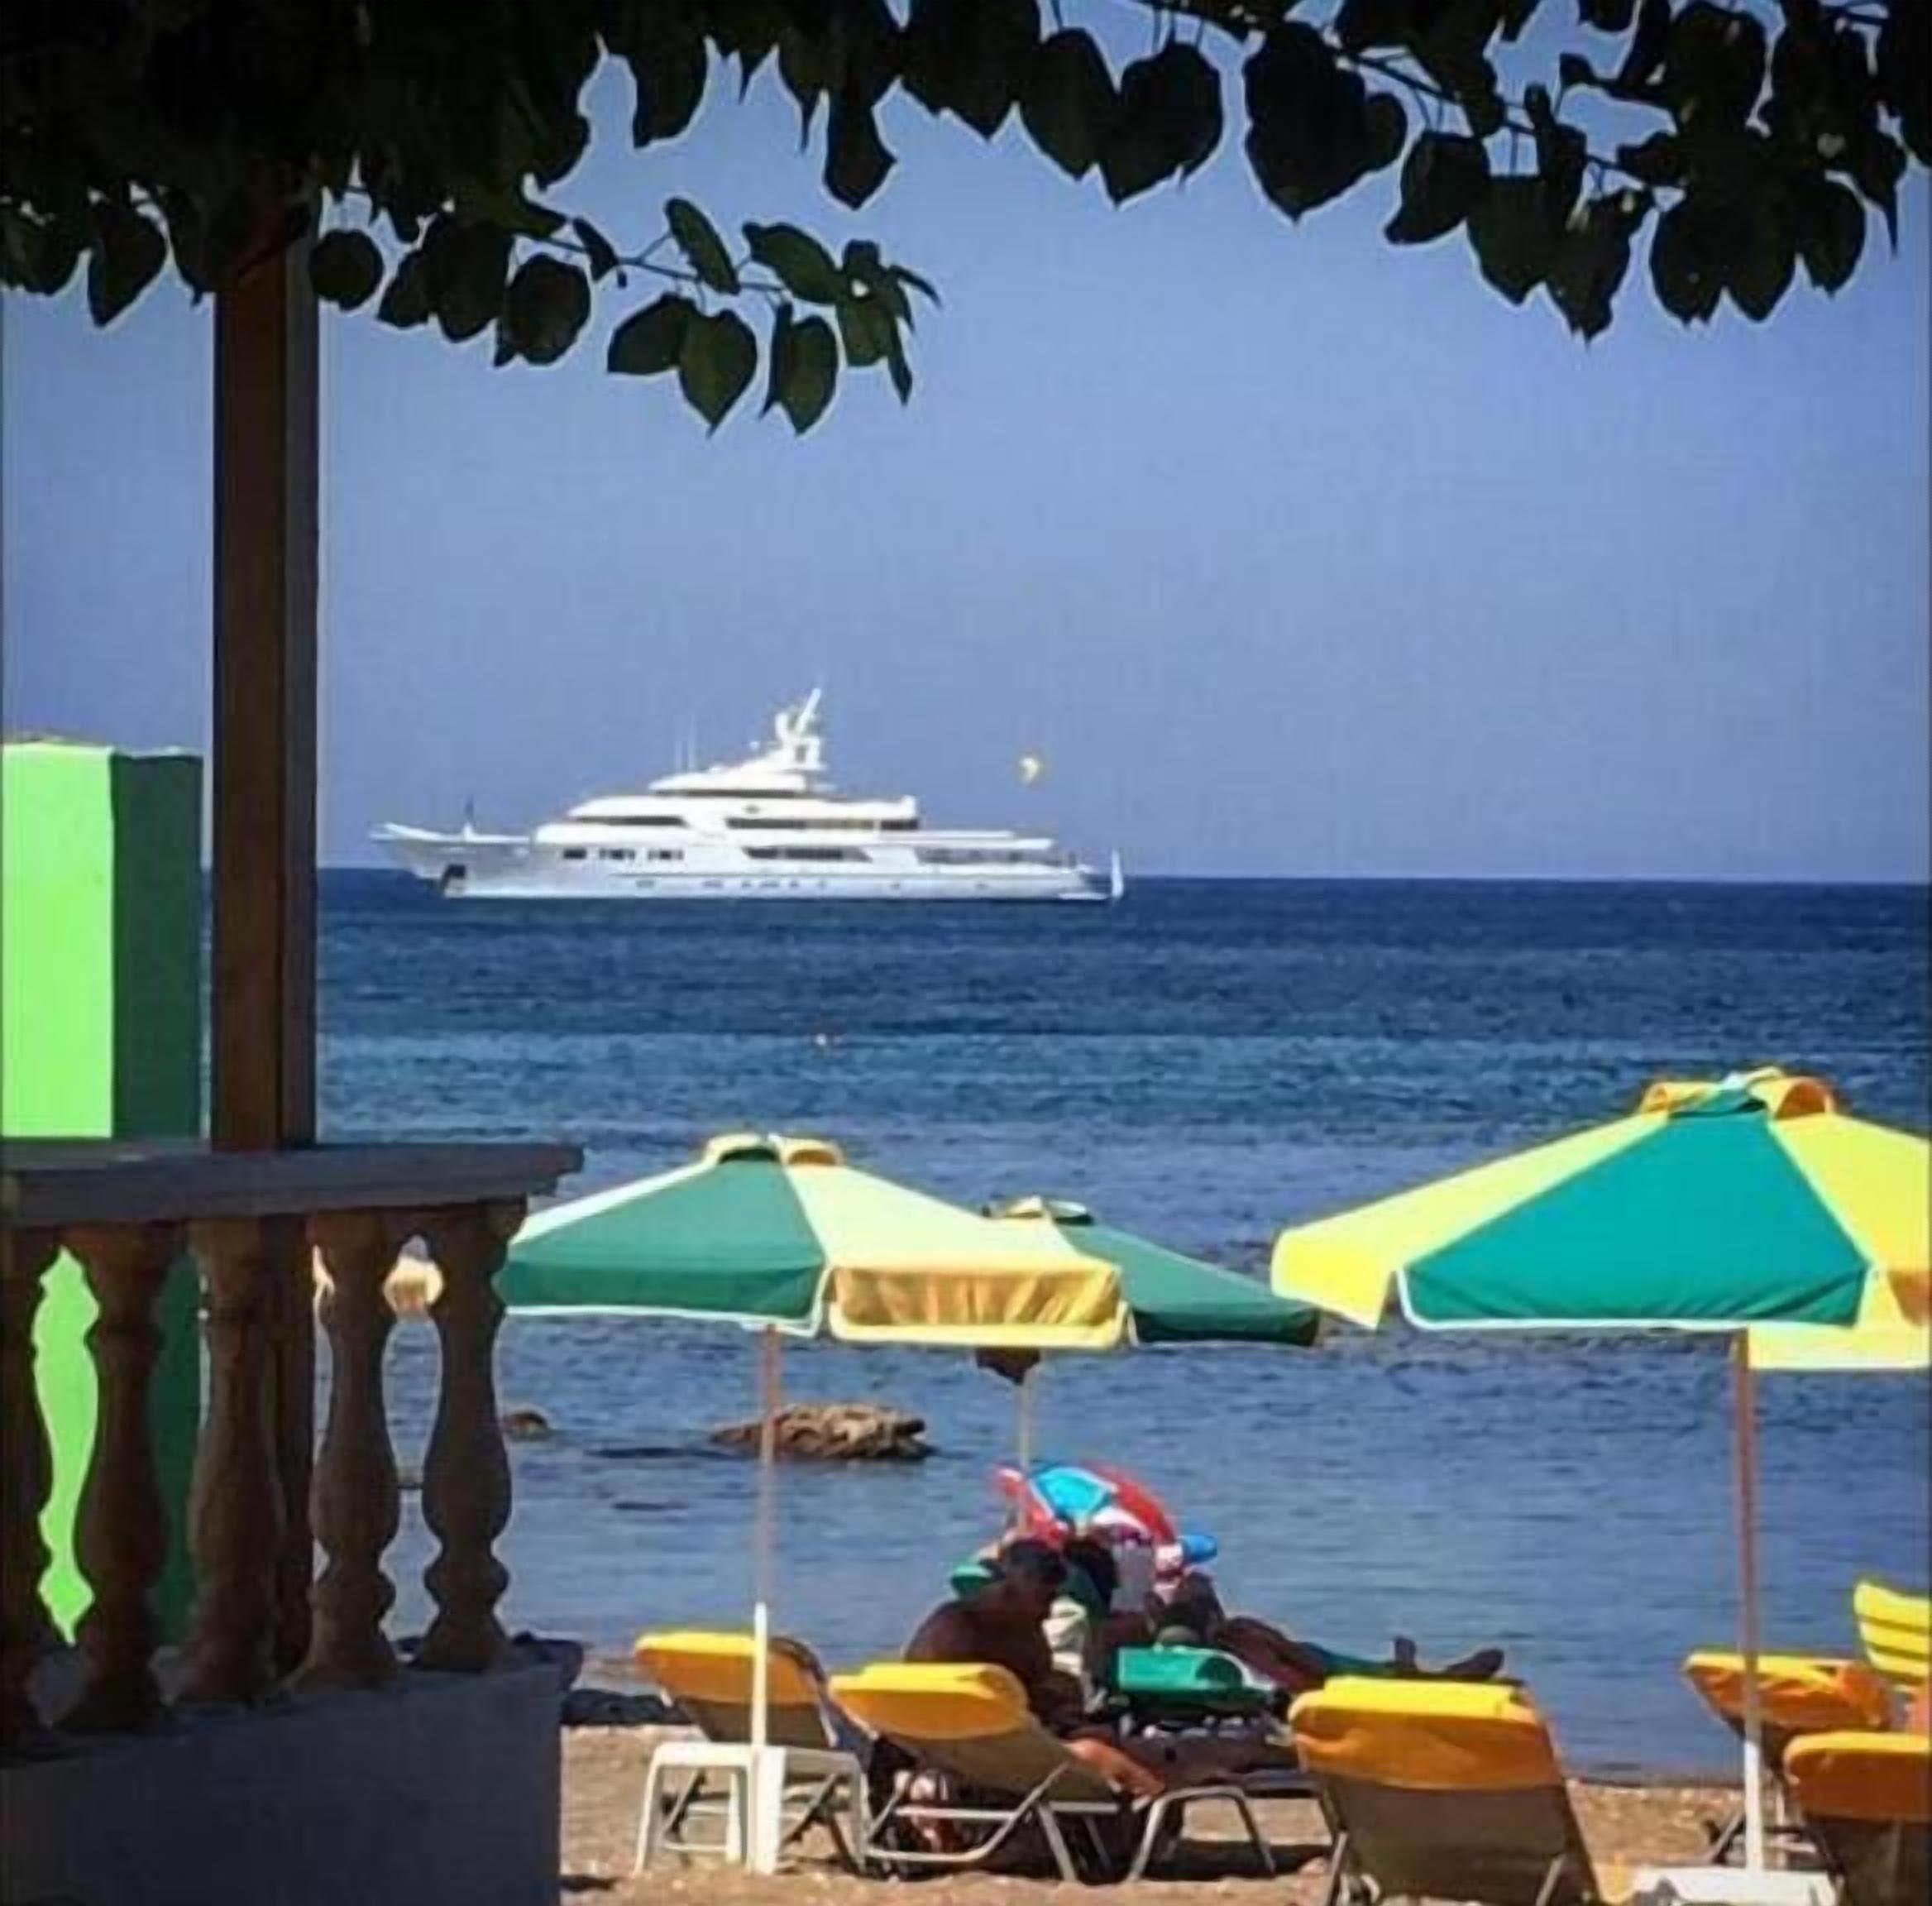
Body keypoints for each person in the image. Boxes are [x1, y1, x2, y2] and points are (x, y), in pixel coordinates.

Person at [1150, 1569, 1506, 1697]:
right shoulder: (1243, 1634)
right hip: (1329, 1674)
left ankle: (1413, 1671)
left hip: (1321, 1669)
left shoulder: (1201, 1655)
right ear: (1211, 1611)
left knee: (1389, 1671)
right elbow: (1303, 1671)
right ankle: (1428, 1676)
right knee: (1395, 1677)